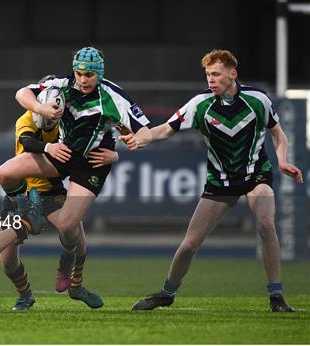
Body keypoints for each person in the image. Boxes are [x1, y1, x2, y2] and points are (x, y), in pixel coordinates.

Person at [126, 49, 303, 313]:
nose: (211, 79)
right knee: (189, 244)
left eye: (216, 74)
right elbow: (164, 130)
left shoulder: (258, 100)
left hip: (256, 176)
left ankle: (276, 297)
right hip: (220, 182)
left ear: (233, 74)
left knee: (266, 224)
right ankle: (167, 293)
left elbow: (278, 134)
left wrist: (282, 160)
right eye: (208, 74)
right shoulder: (200, 104)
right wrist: (141, 138)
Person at [0, 47, 152, 288]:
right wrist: (40, 108)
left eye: (88, 75)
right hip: (64, 152)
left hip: (92, 163)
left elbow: (143, 131)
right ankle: (18, 207)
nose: (82, 79)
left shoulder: (113, 97)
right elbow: (22, 93)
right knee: (5, 172)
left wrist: (135, 141)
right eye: (79, 74)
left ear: (99, 74)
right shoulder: (61, 85)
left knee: (69, 226)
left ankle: (68, 257)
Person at [0, 75, 118, 310]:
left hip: (51, 191)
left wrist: (115, 154)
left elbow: (101, 137)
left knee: (76, 234)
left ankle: (75, 286)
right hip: (23, 193)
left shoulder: (68, 122)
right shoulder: (28, 117)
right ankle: (25, 294)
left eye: (59, 101)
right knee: (7, 258)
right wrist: (49, 147)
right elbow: (27, 142)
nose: (56, 105)